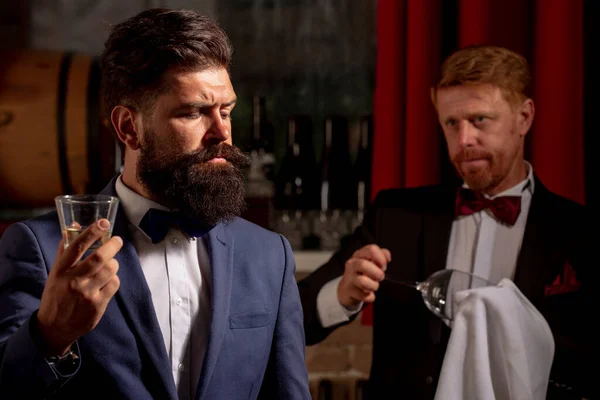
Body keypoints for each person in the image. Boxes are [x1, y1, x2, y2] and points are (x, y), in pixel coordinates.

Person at [0, 8, 310, 400]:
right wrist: (51, 335)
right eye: (194, 112)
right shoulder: (41, 248)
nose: (222, 133)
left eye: (226, 111)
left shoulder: (269, 256)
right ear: (129, 127)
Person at [298, 45, 595, 399]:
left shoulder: (581, 231)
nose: (464, 140)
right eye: (452, 123)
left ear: (524, 117)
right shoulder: (396, 216)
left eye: (480, 120)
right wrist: (344, 294)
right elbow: (298, 315)